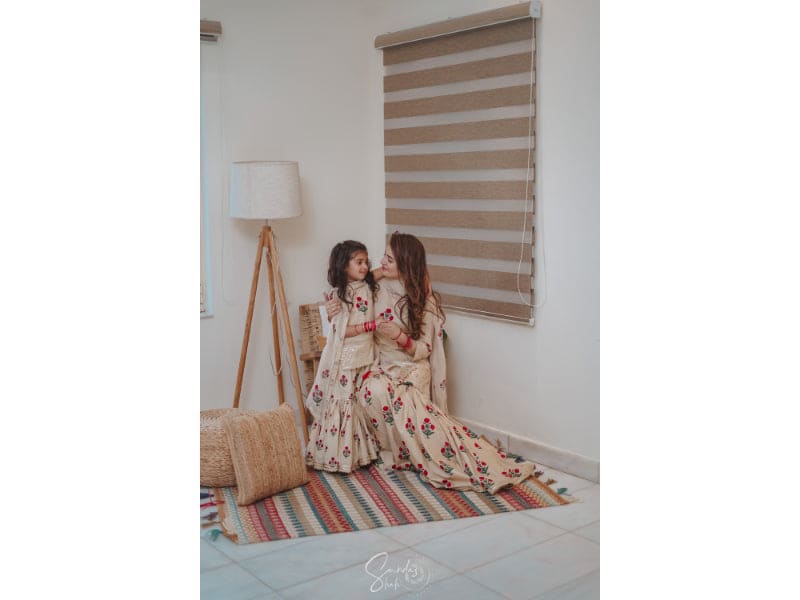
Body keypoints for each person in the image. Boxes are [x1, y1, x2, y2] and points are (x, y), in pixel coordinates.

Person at [329, 232, 536, 494]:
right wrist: (333, 309)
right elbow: (347, 292)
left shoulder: (424, 299)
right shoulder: (373, 288)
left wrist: (399, 336)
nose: (381, 262)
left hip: (413, 366)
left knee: (405, 397)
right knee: (373, 389)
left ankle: (441, 453)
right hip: (381, 364)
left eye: (389, 259)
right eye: (383, 256)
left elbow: (423, 350)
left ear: (405, 264)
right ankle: (401, 452)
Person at [304, 240, 381, 473]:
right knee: (343, 402)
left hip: (365, 354)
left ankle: (359, 454)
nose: (364, 266)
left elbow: (382, 272)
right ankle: (336, 457)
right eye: (358, 262)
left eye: (366, 262)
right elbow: (341, 331)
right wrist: (370, 325)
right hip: (346, 357)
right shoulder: (340, 295)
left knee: (356, 404)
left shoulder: (365, 285)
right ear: (343, 265)